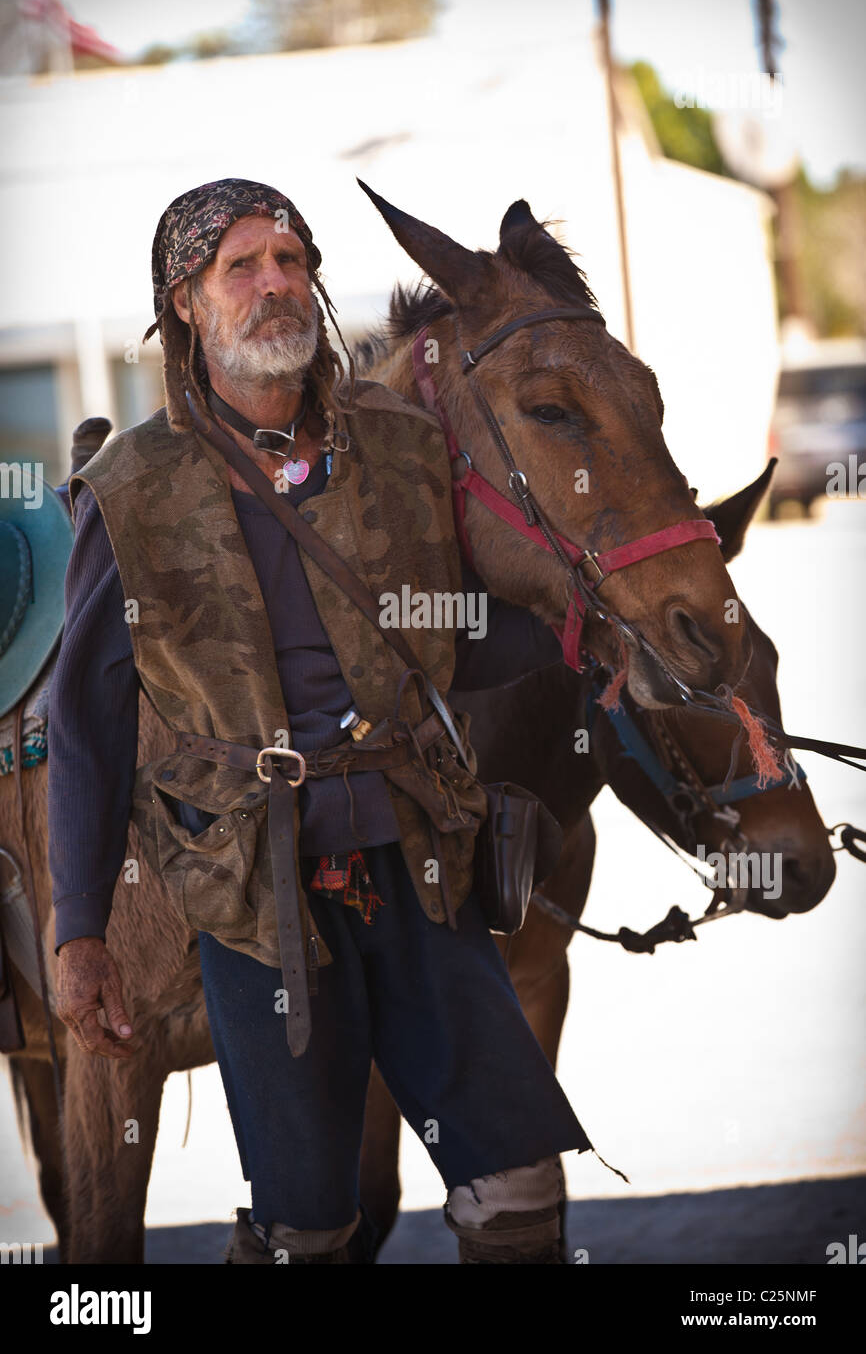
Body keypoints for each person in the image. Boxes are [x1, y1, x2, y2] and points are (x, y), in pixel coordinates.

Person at [49, 178, 590, 1264]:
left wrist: (594, 635)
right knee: (309, 1220)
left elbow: (457, 638)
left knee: (520, 1181)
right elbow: (89, 722)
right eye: (240, 267)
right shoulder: (134, 489)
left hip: (422, 855)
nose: (274, 285)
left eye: (292, 261)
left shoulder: (398, 440)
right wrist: (78, 930)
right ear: (186, 305)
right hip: (256, 887)